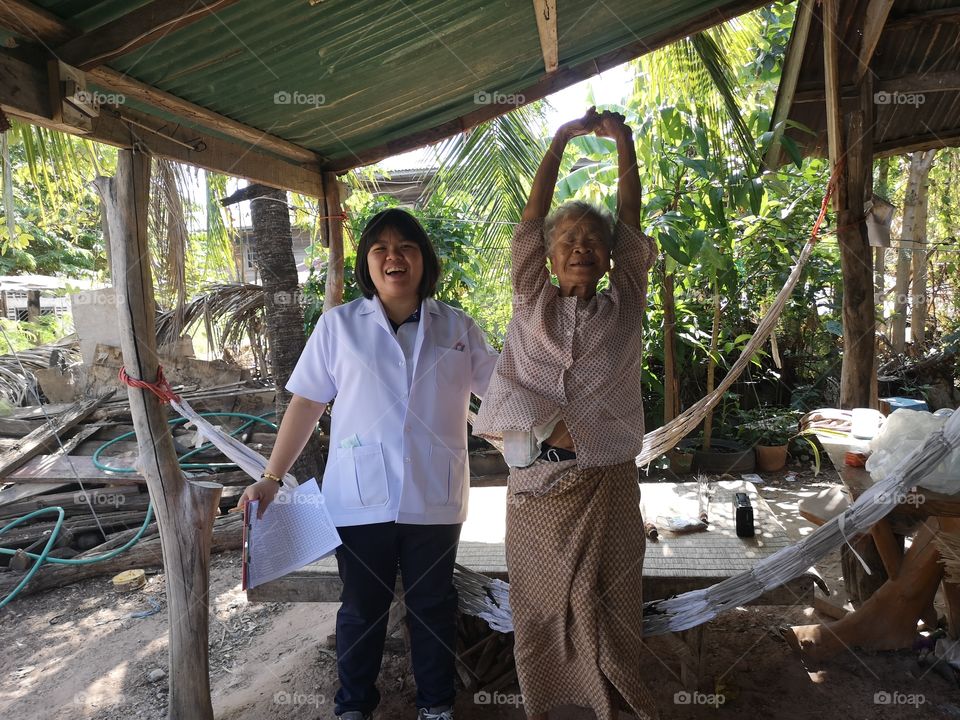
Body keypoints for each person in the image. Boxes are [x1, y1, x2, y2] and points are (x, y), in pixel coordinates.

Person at [239, 208, 498, 720]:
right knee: (362, 609)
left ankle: (436, 707)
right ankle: (353, 707)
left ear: (425, 259)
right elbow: (307, 404)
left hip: (435, 497)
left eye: (406, 246)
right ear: (366, 262)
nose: (393, 256)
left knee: (432, 607)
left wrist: (549, 443)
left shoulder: (458, 328)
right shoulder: (339, 326)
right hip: (357, 500)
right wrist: (271, 477)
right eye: (380, 248)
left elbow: (501, 400)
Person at [472, 108, 659, 720]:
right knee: (542, 605)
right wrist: (557, 141)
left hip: (607, 484)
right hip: (536, 487)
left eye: (592, 244)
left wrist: (625, 143)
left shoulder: (625, 306)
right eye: (567, 243)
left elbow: (631, 222)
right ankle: (552, 703)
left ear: (609, 260)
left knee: (610, 604)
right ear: (550, 260)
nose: (580, 249)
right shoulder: (531, 298)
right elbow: (530, 221)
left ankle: (612, 703)